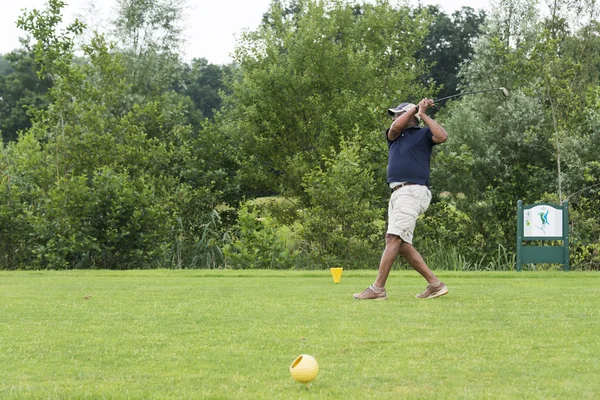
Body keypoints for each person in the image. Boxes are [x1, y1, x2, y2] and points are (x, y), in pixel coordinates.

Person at [353, 98, 448, 300]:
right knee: (401, 243)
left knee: (393, 239)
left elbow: (442, 136)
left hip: (413, 191)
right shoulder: (394, 136)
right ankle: (435, 284)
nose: (395, 117)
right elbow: (395, 126)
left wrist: (422, 113)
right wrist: (414, 109)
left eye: (399, 113)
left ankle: (377, 289)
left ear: (412, 118)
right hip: (398, 193)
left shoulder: (423, 134)